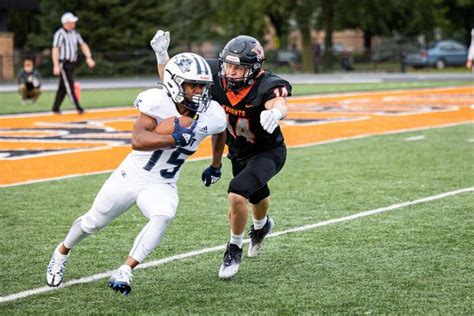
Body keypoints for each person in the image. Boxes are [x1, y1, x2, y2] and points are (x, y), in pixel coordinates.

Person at [45, 52, 227, 295]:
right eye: (192, 85)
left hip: (163, 182)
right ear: (175, 83)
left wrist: (216, 165)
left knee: (163, 214)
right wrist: (172, 138)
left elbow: (220, 131)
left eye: (202, 86)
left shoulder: (212, 112)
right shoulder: (157, 102)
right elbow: (138, 140)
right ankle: (62, 252)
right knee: (92, 223)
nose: (198, 92)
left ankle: (125, 269)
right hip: (131, 176)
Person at [152, 31, 292, 279]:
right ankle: (262, 226)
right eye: (227, 64)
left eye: (238, 68)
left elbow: (278, 102)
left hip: (268, 151)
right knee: (257, 196)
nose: (230, 71)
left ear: (254, 68)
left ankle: (234, 247)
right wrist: (162, 56)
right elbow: (174, 82)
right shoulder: (216, 74)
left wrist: (276, 114)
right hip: (237, 151)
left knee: (237, 193)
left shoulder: (266, 83)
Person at [51, 12, 95, 114]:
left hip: (71, 64)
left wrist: (89, 57)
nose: (74, 23)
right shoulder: (60, 33)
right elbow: (55, 49)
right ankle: (78, 107)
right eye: (72, 21)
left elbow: (83, 44)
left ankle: (55, 108)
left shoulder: (75, 33)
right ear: (66, 23)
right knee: (69, 85)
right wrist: (56, 65)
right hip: (63, 63)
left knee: (63, 87)